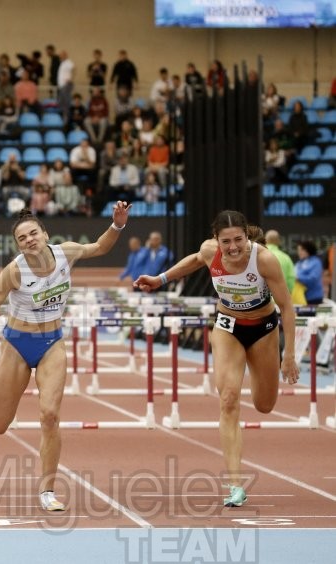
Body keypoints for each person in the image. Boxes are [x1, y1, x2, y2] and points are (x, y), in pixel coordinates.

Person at [0, 202, 132, 512]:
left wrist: (117, 225)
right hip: (17, 344)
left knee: (50, 415)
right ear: (18, 245)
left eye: (33, 233)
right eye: (22, 238)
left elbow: (99, 247)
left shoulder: (65, 253)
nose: (29, 240)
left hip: (52, 342)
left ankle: (47, 490)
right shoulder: (15, 271)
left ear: (45, 234)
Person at [134, 210, 299, 508]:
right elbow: (194, 261)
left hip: (263, 330)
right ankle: (235, 484)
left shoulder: (263, 260)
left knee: (264, 405)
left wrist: (289, 355)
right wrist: (160, 279)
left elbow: (287, 307)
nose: (233, 247)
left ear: (247, 237)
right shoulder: (211, 251)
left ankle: (261, 376)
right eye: (227, 241)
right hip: (228, 327)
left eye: (239, 240)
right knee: (228, 399)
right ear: (216, 240)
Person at [263, 230, 296, 294]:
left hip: (262, 301)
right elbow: (291, 280)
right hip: (281, 299)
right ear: (278, 241)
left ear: (265, 240)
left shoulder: (258, 256)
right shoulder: (286, 258)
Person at [295, 240, 324, 306]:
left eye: (301, 250)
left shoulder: (316, 262)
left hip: (314, 298)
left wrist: (298, 278)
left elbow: (313, 279)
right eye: (298, 250)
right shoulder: (299, 263)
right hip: (300, 298)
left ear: (307, 250)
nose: (299, 253)